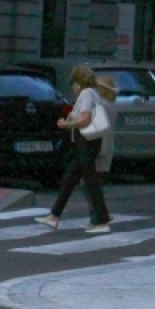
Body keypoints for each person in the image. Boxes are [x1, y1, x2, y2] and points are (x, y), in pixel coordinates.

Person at [36, 66, 116, 234]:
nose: (72, 87)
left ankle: (102, 221)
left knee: (90, 182)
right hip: (88, 142)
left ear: (78, 82)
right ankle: (54, 216)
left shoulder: (86, 94)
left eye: (73, 83)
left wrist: (66, 124)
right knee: (70, 179)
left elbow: (85, 120)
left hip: (86, 141)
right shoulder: (94, 93)